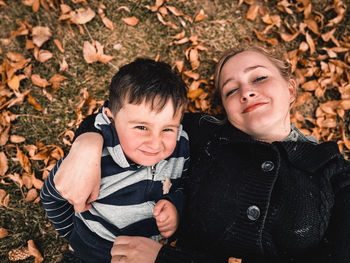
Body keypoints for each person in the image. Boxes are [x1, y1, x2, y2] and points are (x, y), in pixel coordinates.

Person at [51, 46, 350, 263]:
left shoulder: (337, 176)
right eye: (231, 90)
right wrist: (87, 144)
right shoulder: (205, 135)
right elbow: (131, 111)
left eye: (259, 78)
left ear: (291, 89)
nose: (246, 92)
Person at [40, 58, 190, 263]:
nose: (156, 144)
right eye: (141, 128)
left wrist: (174, 206)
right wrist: (74, 237)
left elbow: (182, 185)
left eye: (167, 129)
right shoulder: (93, 162)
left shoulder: (180, 147)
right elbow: (51, 196)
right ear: (111, 119)